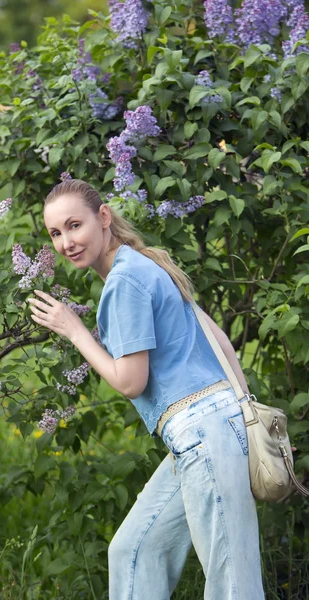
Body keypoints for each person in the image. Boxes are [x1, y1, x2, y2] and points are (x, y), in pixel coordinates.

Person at [27, 179, 265, 600]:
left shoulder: (125, 281)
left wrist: (75, 330)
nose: (67, 242)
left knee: (232, 583)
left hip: (203, 433)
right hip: (209, 431)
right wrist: (247, 418)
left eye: (74, 225)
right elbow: (223, 345)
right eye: (56, 233)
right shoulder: (145, 264)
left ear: (103, 219)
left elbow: (129, 381)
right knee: (135, 550)